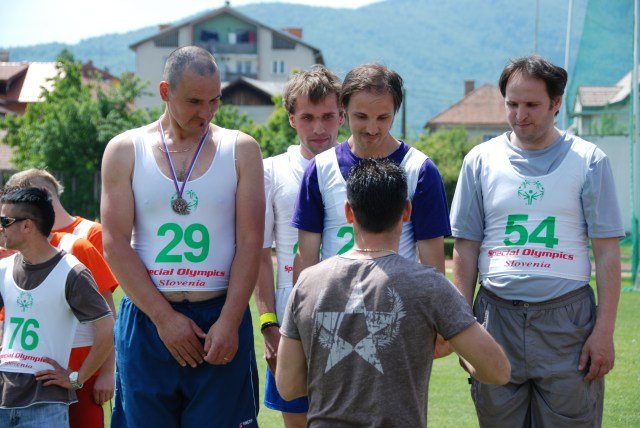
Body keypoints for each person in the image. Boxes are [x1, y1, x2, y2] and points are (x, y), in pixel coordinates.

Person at [450, 55, 624, 427]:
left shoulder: (589, 161)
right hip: (495, 319)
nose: (520, 115)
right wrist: (464, 326)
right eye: (512, 104)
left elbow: (607, 253)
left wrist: (604, 332)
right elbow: (465, 247)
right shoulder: (480, 160)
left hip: (567, 324)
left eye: (531, 104)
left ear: (556, 103)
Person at [276, 159, 510, 426]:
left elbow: (288, 385)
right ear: (407, 210)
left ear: (348, 212)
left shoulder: (307, 282)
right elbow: (498, 371)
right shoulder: (429, 285)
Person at [102, 45, 264, 427]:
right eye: (194, 101)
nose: (206, 113)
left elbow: (251, 241)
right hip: (149, 319)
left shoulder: (241, 149)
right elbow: (114, 242)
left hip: (218, 320)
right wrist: (164, 318)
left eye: (214, 100)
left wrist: (230, 320)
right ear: (165, 91)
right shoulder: (125, 149)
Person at [291, 63, 450, 279]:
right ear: (343, 110)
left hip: (397, 298)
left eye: (383, 118)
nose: (372, 129)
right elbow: (306, 259)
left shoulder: (420, 170)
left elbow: (433, 270)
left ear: (395, 111)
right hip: (335, 298)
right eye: (361, 117)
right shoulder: (320, 169)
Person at [254, 65, 343, 428]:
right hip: (292, 321)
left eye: (328, 116)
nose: (319, 128)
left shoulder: (363, 170)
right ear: (292, 118)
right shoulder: (270, 171)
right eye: (307, 117)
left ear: (342, 116)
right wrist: (268, 323)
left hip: (351, 315)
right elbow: (260, 254)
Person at [6, 168, 117, 427]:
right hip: (33, 370)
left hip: (82, 364)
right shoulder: (16, 248)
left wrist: (106, 372)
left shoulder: (84, 237)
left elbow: (107, 315)